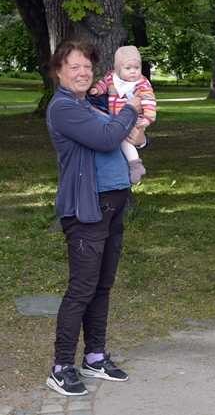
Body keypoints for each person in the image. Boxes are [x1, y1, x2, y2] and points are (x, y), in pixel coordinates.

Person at [45, 36, 147, 396]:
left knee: (102, 286)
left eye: (88, 66)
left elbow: (121, 134)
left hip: (113, 204)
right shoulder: (63, 108)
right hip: (86, 209)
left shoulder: (90, 103)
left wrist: (135, 131)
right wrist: (131, 111)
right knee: (82, 289)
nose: (84, 72)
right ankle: (61, 366)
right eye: (75, 66)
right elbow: (106, 139)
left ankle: (95, 355)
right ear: (59, 71)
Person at [89, 45, 156, 185]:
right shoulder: (112, 78)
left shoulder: (142, 84)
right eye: (128, 68)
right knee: (121, 139)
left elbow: (149, 102)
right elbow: (103, 84)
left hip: (136, 119)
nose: (133, 72)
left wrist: (148, 119)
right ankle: (134, 166)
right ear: (118, 68)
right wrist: (97, 89)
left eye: (136, 68)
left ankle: (135, 165)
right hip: (117, 119)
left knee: (126, 139)